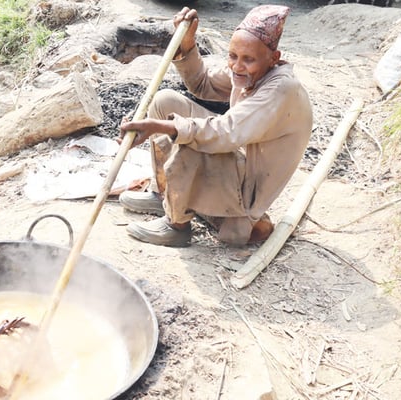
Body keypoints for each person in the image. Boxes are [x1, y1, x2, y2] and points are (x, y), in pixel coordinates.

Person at [118, 5, 313, 247]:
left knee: (192, 138)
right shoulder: (248, 71)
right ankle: (165, 194)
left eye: (248, 60)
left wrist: (160, 127)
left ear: (274, 58)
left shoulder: (281, 89)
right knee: (165, 102)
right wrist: (188, 43)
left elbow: (223, 133)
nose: (237, 66)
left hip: (248, 189)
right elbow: (202, 85)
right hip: (235, 156)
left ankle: (176, 226)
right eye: (233, 56)